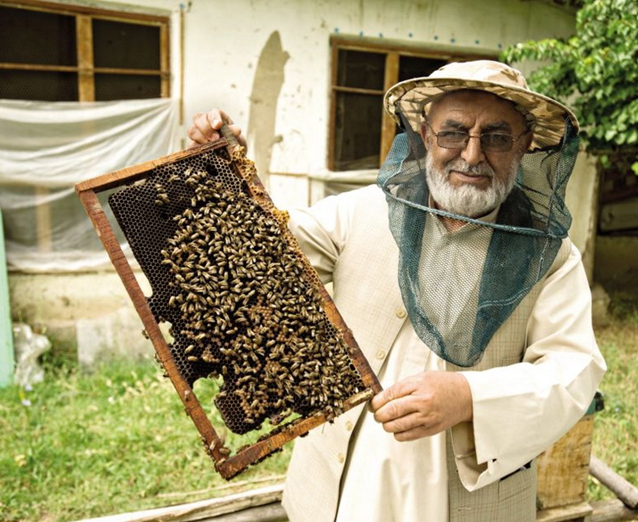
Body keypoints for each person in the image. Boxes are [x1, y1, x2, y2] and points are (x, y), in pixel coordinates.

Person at [188, 60, 606, 522]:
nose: (471, 155)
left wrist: (468, 397)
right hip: (340, 488)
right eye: (453, 132)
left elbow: (573, 370)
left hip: (468, 502)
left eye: (496, 137)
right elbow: (260, 253)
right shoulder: (358, 212)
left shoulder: (553, 256)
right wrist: (223, 175)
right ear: (425, 136)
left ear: (524, 146)